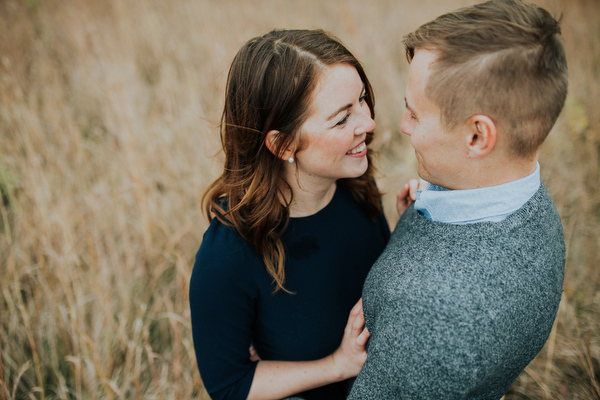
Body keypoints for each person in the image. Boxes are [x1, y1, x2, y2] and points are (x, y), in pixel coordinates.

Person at [349, 1, 568, 399]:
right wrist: (416, 227)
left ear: (477, 137)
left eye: (415, 115)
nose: (402, 127)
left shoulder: (437, 316)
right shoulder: (521, 192)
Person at [189, 29, 391, 400]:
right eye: (342, 118)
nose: (368, 123)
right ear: (283, 144)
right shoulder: (227, 255)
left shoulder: (356, 186)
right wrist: (336, 364)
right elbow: (229, 386)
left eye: (362, 100)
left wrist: (413, 233)